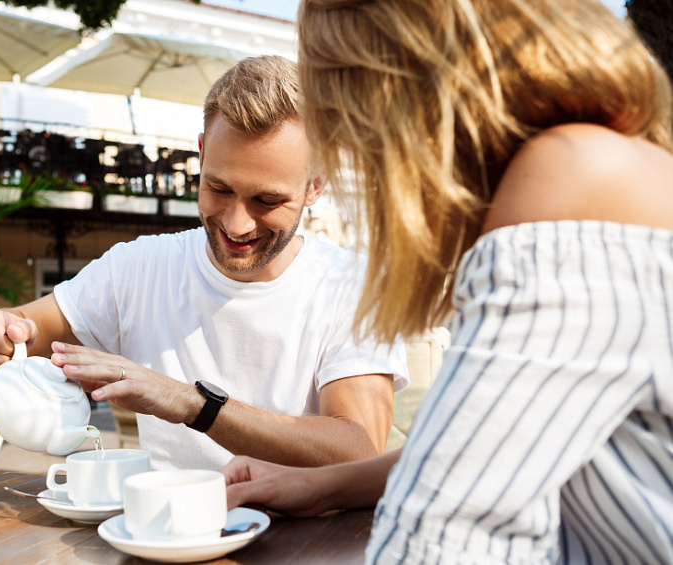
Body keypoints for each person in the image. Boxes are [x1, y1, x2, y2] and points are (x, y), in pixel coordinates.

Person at [222, 0, 673, 562]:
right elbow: (488, 450)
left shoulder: (568, 181)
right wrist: (321, 486)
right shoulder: (611, 162)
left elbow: (439, 537)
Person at [0, 55, 408, 472]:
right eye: (219, 188)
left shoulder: (354, 286)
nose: (237, 223)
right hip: (161, 539)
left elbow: (357, 448)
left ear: (316, 185)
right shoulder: (139, 268)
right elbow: (23, 329)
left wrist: (192, 403)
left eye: (267, 200)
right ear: (201, 152)